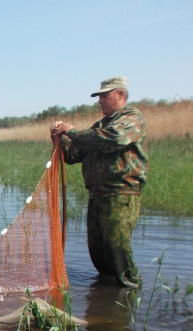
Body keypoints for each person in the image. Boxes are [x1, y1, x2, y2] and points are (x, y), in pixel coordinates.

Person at [51, 76, 147, 287]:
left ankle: (130, 293)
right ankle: (107, 297)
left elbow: (112, 139)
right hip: (97, 195)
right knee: (98, 250)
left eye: (106, 95)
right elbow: (72, 155)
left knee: (116, 248)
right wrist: (60, 136)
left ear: (120, 95)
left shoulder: (131, 118)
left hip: (120, 193)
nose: (100, 100)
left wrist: (73, 131)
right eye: (99, 96)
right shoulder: (100, 125)